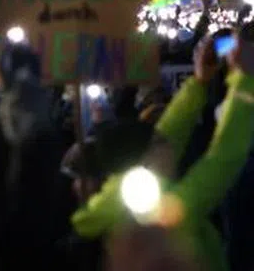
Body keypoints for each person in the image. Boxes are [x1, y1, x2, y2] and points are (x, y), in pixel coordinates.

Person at [71, 37, 254, 271]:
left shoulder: (111, 203)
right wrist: (245, 80)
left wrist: (199, 82)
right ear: (145, 161)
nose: (169, 145)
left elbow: (170, 130)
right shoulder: (168, 212)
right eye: (159, 143)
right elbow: (224, 156)